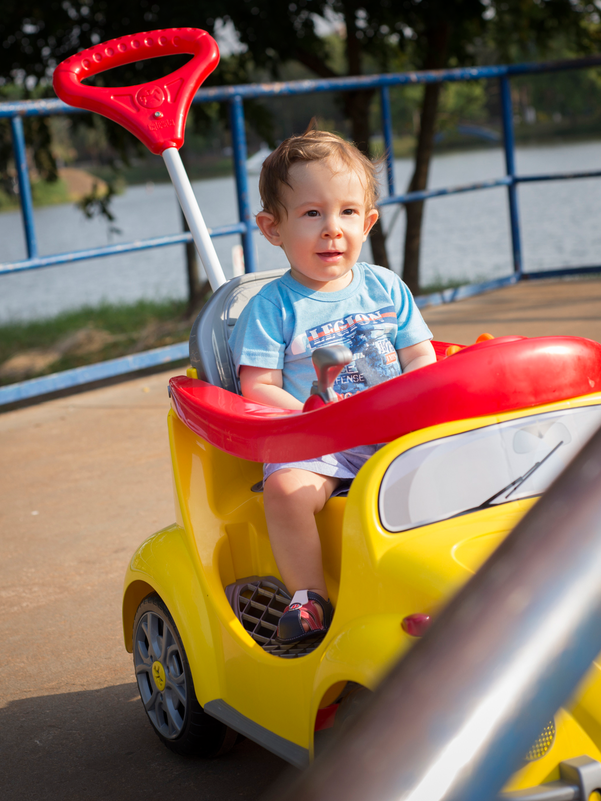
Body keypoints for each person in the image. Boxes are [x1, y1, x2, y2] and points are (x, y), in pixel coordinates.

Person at [229, 129, 436, 643]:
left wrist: (416, 398)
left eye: (347, 213)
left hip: (392, 428)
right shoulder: (272, 307)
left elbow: (420, 356)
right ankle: (310, 596)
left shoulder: (386, 286)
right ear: (272, 228)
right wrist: (311, 414)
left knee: (460, 462)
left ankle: (439, 580)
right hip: (317, 440)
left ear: (367, 222)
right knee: (285, 491)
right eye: (312, 214)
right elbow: (256, 387)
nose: (332, 230)